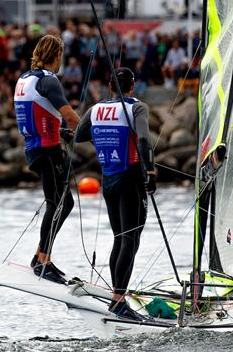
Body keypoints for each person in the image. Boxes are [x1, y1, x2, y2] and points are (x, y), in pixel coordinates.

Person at [75, 67, 155, 321]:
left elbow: (78, 135)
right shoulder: (137, 108)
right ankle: (119, 300)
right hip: (131, 179)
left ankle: (116, 296)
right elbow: (143, 139)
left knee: (120, 238)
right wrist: (150, 172)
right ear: (132, 87)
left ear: (110, 87)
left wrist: (103, 137)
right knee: (130, 239)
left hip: (108, 181)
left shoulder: (95, 110)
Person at [14, 34, 80, 284]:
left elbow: (33, 114)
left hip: (35, 148)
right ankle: (43, 261)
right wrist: (94, 134)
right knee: (57, 203)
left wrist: (59, 131)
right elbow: (70, 116)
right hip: (47, 150)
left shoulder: (24, 79)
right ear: (57, 56)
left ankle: (40, 256)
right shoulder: (49, 81)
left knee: (64, 202)